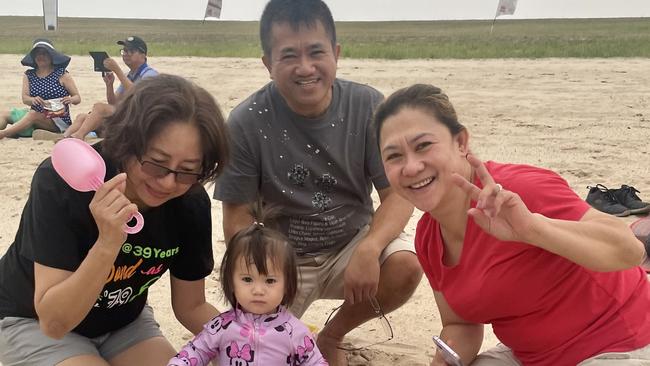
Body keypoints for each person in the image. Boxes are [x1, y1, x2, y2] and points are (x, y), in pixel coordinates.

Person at [373, 84, 650, 366]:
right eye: (394, 156)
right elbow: (461, 326)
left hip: (618, 344)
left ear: (461, 142)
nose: (410, 167)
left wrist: (532, 229)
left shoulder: (516, 190)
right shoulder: (428, 238)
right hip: (530, 356)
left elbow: (629, 250)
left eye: (423, 146)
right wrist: (444, 361)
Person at [212, 1, 422, 364]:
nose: (305, 67)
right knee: (258, 354)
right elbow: (238, 219)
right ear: (268, 63)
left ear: (336, 54)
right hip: (284, 255)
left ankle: (332, 335)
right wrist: (259, 277)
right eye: (289, 55)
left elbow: (399, 195)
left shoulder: (368, 106)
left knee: (406, 265)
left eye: (316, 52)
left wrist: (371, 248)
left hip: (353, 244)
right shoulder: (247, 121)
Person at [0, 74, 230, 366]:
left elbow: (192, 306)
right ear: (127, 142)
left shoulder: (189, 203)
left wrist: (257, 342)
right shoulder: (63, 183)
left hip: (123, 323)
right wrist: (108, 242)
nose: (170, 183)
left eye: (187, 170)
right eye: (157, 163)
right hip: (33, 321)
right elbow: (54, 323)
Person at [168, 203, 328, 366]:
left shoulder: (294, 331)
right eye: (247, 279)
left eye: (270, 281)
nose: (258, 290)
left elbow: (315, 362)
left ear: (287, 285)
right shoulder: (223, 325)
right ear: (231, 282)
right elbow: (196, 350)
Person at [64, 35, 158, 139]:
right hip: (127, 117)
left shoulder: (150, 74)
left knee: (99, 108)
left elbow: (137, 93)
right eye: (124, 51)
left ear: (143, 55)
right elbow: (113, 102)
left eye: (131, 51)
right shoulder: (130, 75)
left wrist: (117, 71)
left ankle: (78, 136)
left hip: (140, 120)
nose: (126, 54)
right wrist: (109, 85)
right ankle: (65, 137)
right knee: (82, 117)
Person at [0, 38, 81, 139]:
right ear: (33, 57)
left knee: (33, 115)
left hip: (57, 119)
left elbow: (77, 98)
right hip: (33, 114)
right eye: (37, 54)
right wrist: (32, 100)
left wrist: (71, 99)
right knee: (4, 114)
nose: (40, 56)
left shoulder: (62, 74)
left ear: (51, 56)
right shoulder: (29, 75)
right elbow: (25, 99)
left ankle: (4, 134)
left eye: (44, 53)